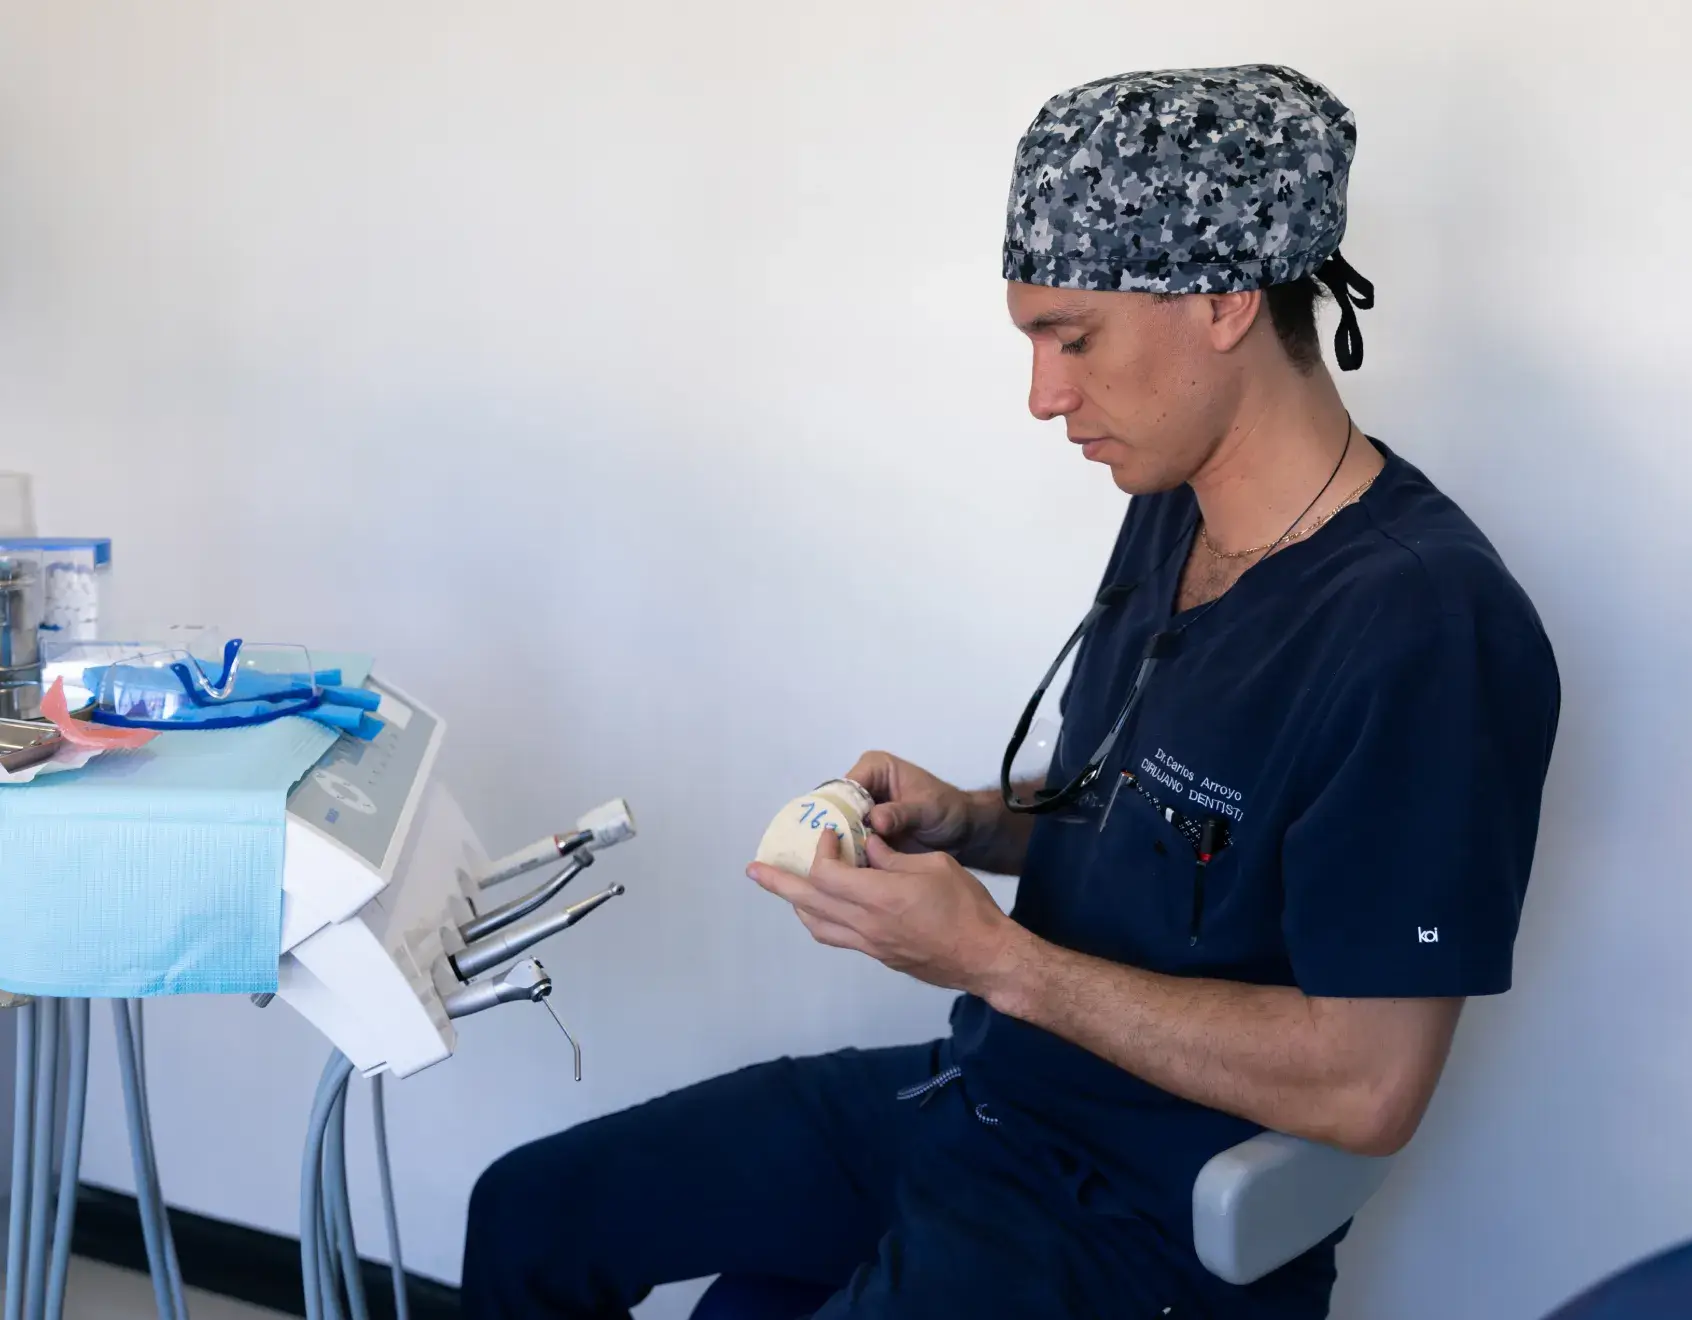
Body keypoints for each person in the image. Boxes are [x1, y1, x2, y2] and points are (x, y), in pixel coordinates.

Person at [462, 64, 1561, 1320]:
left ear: (1219, 302)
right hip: (983, 1099)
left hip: (1132, 1224)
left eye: (1070, 336)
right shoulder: (1173, 507)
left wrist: (993, 960)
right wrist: (974, 824)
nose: (1043, 397)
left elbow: (1370, 1087)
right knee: (531, 1212)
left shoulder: (1424, 626)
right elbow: (1172, 820)